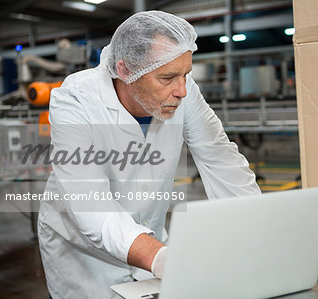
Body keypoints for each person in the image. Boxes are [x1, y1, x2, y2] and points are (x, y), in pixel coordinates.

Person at [37, 10, 261, 298]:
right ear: (127, 70)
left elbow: (219, 157)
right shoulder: (75, 101)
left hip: (149, 242)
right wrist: (162, 258)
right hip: (83, 253)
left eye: (186, 74)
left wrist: (256, 230)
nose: (181, 90)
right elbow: (90, 204)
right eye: (167, 77)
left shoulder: (181, 89)